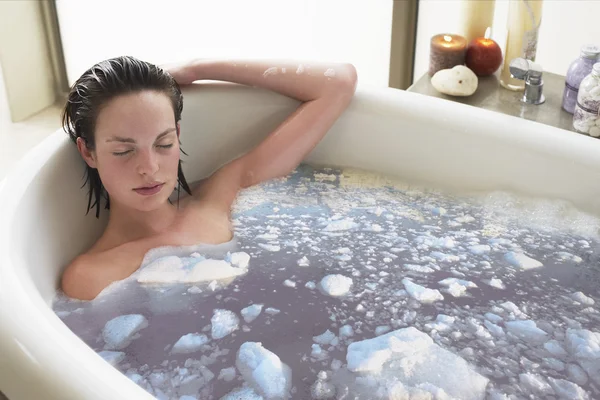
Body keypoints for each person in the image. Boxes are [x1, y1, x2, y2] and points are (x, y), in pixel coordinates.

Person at [60, 56, 357, 300]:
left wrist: (197, 68)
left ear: (177, 134)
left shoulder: (222, 197)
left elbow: (338, 83)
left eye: (163, 144)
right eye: (125, 151)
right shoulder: (90, 277)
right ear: (89, 152)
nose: (150, 168)